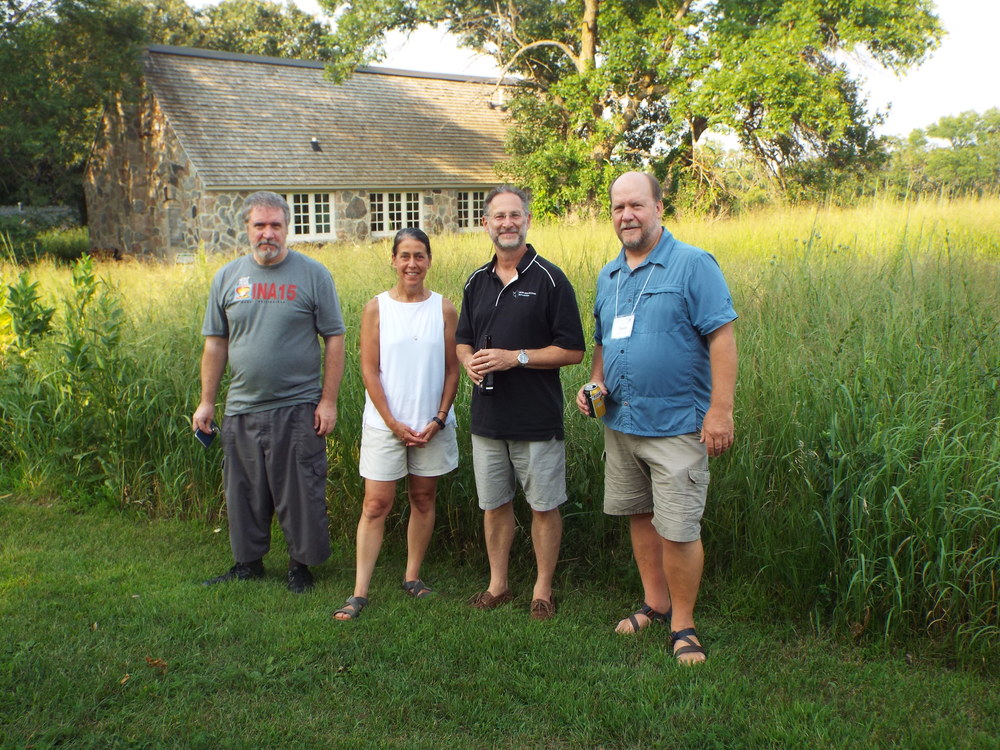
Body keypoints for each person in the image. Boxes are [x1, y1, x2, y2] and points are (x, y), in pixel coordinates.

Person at [576, 172, 737, 664]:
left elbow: (722, 340)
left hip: (678, 425)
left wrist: (721, 410)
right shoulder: (609, 276)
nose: (627, 215)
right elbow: (604, 343)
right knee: (640, 517)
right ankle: (655, 603)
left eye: (637, 205)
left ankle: (684, 625)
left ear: (659, 207)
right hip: (622, 425)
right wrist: (594, 383)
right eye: (619, 207)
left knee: (680, 528)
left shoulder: (693, 265)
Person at [194, 190, 345, 594]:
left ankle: (301, 567)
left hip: (298, 406)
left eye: (275, 225)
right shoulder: (227, 277)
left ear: (287, 228)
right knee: (243, 491)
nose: (267, 233)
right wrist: (207, 401)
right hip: (240, 407)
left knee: (300, 490)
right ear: (247, 228)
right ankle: (248, 564)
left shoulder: (313, 274)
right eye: (259, 225)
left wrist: (327, 401)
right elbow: (215, 343)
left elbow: (334, 338)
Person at [456, 185, 586, 621]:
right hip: (488, 418)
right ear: (486, 224)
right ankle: (499, 585)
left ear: (527, 221)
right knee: (494, 504)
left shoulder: (550, 279)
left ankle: (542, 590)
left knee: (543, 506)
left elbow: (573, 350)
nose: (507, 223)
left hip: (536, 418)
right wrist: (468, 365)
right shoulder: (476, 281)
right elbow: (462, 341)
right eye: (499, 217)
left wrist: (518, 358)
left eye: (515, 215)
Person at [333, 228, 460, 621]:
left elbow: (453, 370)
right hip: (384, 424)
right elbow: (369, 371)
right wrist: (391, 422)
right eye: (404, 255)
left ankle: (412, 577)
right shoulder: (376, 308)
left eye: (419, 255)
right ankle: (359, 593)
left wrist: (438, 419)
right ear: (393, 260)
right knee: (375, 504)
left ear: (429, 260)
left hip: (430, 426)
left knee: (423, 499)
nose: (411, 264)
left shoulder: (444, 308)